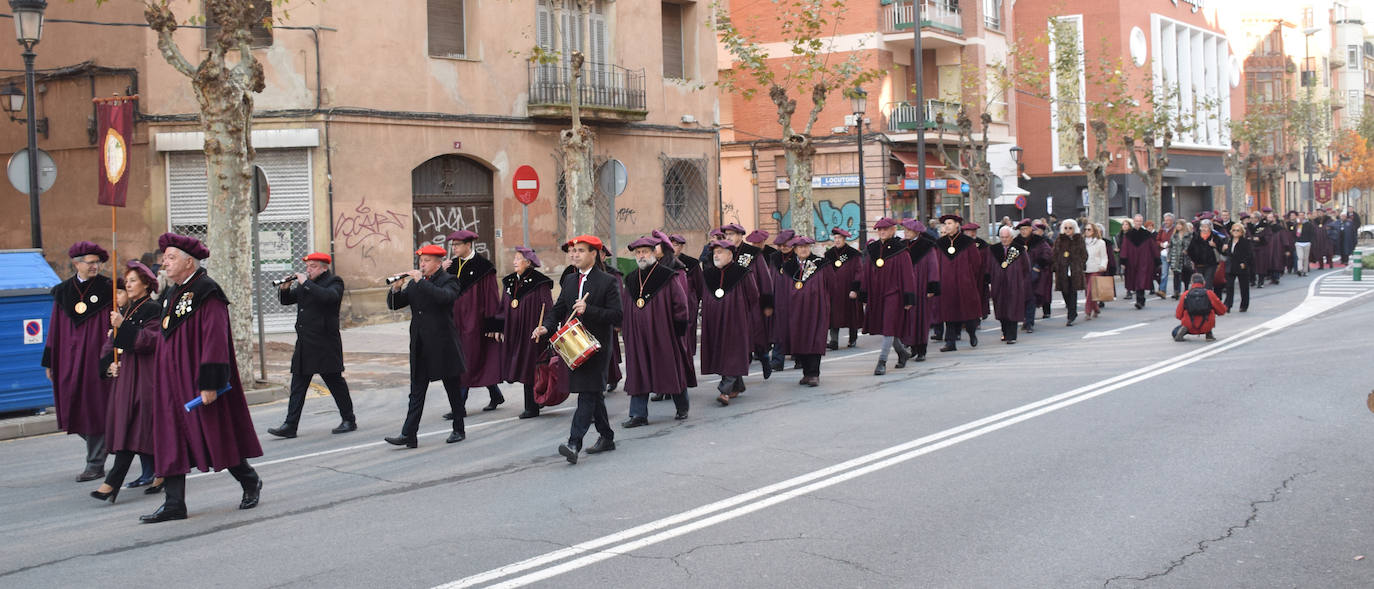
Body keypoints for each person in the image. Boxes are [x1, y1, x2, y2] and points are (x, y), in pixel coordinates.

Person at [141, 234, 263, 523]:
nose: (164, 263)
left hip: (196, 380)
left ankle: (249, 480)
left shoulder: (208, 292)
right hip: (170, 380)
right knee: (170, 437)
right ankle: (174, 504)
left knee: (215, 435)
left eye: (170, 258)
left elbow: (214, 340)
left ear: (188, 261)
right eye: (164, 258)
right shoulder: (171, 292)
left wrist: (210, 383)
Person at [535, 235, 623, 465]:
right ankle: (606, 436)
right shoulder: (570, 281)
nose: (574, 255)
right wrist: (545, 327)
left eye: (580, 251)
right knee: (593, 393)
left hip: (597, 347)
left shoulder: (607, 281)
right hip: (574, 346)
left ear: (594, 253)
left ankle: (574, 443)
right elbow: (558, 309)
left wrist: (589, 309)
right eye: (573, 251)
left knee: (587, 393)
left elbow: (617, 316)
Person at [90, 262, 164, 503]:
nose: (128, 285)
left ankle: (111, 483)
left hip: (145, 378)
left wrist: (124, 326)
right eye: (127, 281)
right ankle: (164, 471)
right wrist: (108, 365)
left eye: (133, 281)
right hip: (125, 379)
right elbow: (111, 345)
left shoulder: (152, 309)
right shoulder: (129, 309)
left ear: (145, 284)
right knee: (136, 428)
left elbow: (150, 341)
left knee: (134, 427)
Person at [42, 241, 115, 483]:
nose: (95, 266)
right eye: (90, 262)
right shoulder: (63, 292)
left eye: (97, 262)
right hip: (68, 360)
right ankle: (110, 442)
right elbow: (54, 329)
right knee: (73, 405)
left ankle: (95, 463)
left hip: (97, 358)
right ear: (76, 264)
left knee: (94, 407)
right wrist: (50, 361)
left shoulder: (109, 289)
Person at [384, 244, 467, 449]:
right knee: (417, 391)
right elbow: (395, 304)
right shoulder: (414, 284)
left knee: (452, 388)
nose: (422, 264)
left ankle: (459, 428)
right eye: (421, 261)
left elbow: (445, 298)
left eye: (427, 261)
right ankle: (409, 434)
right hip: (420, 344)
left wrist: (420, 281)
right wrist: (396, 288)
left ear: (438, 263)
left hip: (443, 344)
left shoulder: (449, 280)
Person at [268, 252, 355, 438]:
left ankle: (349, 419)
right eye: (308, 266)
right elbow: (287, 300)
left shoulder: (334, 282)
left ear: (324, 267)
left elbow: (328, 298)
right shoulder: (306, 284)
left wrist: (305, 283)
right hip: (305, 343)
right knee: (298, 385)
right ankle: (290, 425)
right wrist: (284, 288)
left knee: (335, 383)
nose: (308, 270)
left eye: (313, 266)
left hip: (325, 343)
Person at [619, 236, 691, 427]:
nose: (641, 256)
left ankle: (682, 406)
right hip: (638, 336)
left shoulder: (667, 276)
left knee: (669, 368)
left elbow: (681, 304)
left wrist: (679, 330)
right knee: (638, 372)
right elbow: (626, 307)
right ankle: (638, 414)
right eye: (638, 253)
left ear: (653, 253)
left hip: (664, 333)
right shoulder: (632, 279)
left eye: (644, 252)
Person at [444, 230, 505, 414]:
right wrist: (442, 272)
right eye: (452, 245)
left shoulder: (484, 267)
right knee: (472, 361)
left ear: (468, 245)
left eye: (457, 245)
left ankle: (459, 405)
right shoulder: (451, 266)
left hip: (475, 321)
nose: (454, 248)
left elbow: (492, 297)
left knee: (469, 360)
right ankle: (495, 394)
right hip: (455, 321)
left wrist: (493, 324)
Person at [699, 240, 759, 404]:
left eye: (720, 252)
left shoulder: (742, 273)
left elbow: (753, 296)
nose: (716, 255)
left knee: (732, 352)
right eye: (715, 252)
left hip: (735, 321)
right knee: (722, 353)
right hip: (713, 322)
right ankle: (736, 385)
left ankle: (724, 390)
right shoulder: (708, 274)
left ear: (730, 254)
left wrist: (740, 311)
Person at [500, 246, 554, 419]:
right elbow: (503, 306)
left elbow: (547, 307)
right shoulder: (509, 282)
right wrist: (498, 327)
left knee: (531, 366)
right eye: (514, 258)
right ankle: (536, 401)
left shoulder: (540, 282)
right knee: (521, 365)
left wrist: (545, 328)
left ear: (528, 262)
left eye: (518, 258)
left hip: (532, 331)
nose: (514, 262)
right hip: (514, 332)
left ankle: (532, 406)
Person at [858, 218, 915, 375]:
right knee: (887, 328)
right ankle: (902, 352)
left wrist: (909, 297)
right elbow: (866, 273)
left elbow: (908, 275)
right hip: (877, 295)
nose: (882, 231)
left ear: (893, 230)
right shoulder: (872, 249)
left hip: (894, 294)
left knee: (889, 326)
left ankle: (882, 361)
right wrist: (864, 293)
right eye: (880, 229)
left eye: (886, 229)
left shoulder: (901, 250)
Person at [781, 236, 829, 386]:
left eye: (806, 246)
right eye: (800, 247)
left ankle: (814, 374)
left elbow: (830, 286)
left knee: (814, 340)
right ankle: (806, 373)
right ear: (795, 249)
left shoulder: (820, 264)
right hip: (795, 310)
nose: (803, 249)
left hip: (816, 309)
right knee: (800, 340)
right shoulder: (788, 267)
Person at [936, 215, 984, 351]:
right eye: (945, 224)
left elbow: (976, 262)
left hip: (965, 283)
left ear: (957, 225)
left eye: (950, 223)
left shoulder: (967, 242)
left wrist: (967, 276)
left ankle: (972, 334)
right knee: (949, 313)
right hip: (947, 284)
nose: (947, 226)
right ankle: (950, 342)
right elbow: (937, 263)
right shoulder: (941, 243)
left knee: (968, 312)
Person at [901, 219, 941, 361]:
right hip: (906, 288)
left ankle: (922, 349)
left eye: (908, 230)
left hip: (921, 288)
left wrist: (932, 286)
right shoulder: (901, 245)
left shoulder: (927, 246)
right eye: (904, 230)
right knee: (908, 319)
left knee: (921, 318)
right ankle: (912, 347)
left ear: (916, 232)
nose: (905, 233)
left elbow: (933, 267)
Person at [988, 226, 1032, 344]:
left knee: (1013, 308)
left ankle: (1012, 335)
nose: (1004, 240)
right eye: (1002, 237)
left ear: (1011, 237)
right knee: (1001, 308)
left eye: (1006, 237)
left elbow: (1026, 267)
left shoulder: (1019, 250)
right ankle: (1005, 332)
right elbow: (989, 267)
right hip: (998, 284)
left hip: (1015, 284)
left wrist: (1020, 280)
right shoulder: (994, 250)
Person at [823, 228, 864, 350]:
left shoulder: (853, 254)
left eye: (839, 238)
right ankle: (834, 341)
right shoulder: (829, 255)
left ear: (844, 239)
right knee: (833, 315)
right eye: (835, 238)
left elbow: (859, 272)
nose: (837, 240)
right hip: (834, 292)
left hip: (848, 290)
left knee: (851, 314)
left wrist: (855, 289)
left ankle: (852, 339)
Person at [1013, 220, 1052, 333]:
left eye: (1025, 229)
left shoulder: (1039, 241)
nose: (1023, 231)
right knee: (1022, 298)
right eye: (1021, 229)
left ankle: (1029, 322)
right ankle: (1025, 319)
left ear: (1031, 229)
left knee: (1032, 298)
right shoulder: (1016, 242)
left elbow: (1047, 254)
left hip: (1034, 274)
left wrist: (1038, 266)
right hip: (1020, 275)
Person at [768, 230, 796, 372]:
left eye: (786, 244)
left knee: (797, 330)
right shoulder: (774, 258)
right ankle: (777, 361)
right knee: (779, 330)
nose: (784, 247)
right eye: (781, 245)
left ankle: (800, 358)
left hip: (795, 299)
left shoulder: (798, 257)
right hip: (778, 299)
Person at [1051, 219, 1087, 326]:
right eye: (1065, 228)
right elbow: (1055, 253)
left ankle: (1071, 315)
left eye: (1070, 228)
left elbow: (1084, 253)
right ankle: (1070, 309)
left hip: (1074, 269)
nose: (1067, 230)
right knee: (1065, 291)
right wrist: (1056, 264)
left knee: (1073, 291)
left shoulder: (1079, 239)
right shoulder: (1059, 239)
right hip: (1062, 269)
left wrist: (1079, 263)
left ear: (1074, 228)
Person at [1118, 217, 1159, 310]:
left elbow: (1153, 248)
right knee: (1135, 280)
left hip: (1144, 261)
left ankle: (1140, 300)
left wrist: (1157, 260)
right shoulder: (1128, 235)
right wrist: (1123, 261)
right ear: (1134, 222)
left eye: (1140, 221)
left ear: (1142, 222)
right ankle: (1140, 299)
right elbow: (1124, 248)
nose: (1138, 223)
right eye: (1136, 221)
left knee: (1141, 280)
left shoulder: (1147, 235)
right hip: (1131, 261)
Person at [1174, 272, 1227, 342]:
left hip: (1189, 325)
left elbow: (1178, 315)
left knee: (1174, 331)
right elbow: (1222, 311)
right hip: (1206, 325)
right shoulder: (1209, 293)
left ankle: (1183, 330)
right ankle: (1208, 333)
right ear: (1203, 282)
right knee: (1210, 312)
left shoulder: (1185, 294)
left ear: (1191, 283)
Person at [1221, 222, 1253, 313]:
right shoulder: (1229, 241)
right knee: (1229, 286)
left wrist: (1245, 264)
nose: (1235, 232)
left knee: (1244, 287)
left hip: (1241, 266)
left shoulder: (1245, 242)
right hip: (1231, 266)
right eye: (1234, 230)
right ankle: (1227, 305)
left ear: (1242, 232)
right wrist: (1223, 249)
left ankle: (1244, 305)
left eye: (1237, 230)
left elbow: (1250, 255)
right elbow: (1226, 254)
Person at [1187, 219, 1224, 296]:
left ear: (1210, 228)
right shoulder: (1196, 237)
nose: (1204, 229)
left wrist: (1214, 245)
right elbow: (1190, 250)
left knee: (1208, 283)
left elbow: (1222, 250)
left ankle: (1208, 299)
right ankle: (1200, 298)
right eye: (1202, 227)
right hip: (1199, 263)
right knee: (1199, 283)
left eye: (1206, 227)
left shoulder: (1215, 237)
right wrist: (1193, 260)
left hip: (1211, 263)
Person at [1083, 223, 1109, 320]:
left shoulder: (1100, 243)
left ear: (1094, 231)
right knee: (1089, 292)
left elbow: (1104, 257)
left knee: (1090, 291)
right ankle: (1096, 308)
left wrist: (1103, 265)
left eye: (1089, 229)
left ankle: (1088, 311)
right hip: (1085, 269)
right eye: (1085, 229)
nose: (1087, 231)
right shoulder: (1082, 242)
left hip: (1096, 269)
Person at [1168, 221, 1194, 298]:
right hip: (1175, 256)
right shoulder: (1174, 236)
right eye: (1177, 224)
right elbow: (1170, 246)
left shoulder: (1188, 235)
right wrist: (1169, 256)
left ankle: (1186, 289)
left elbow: (1191, 246)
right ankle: (1176, 291)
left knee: (1186, 274)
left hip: (1185, 257)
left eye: (1180, 224)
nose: (1178, 226)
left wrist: (1188, 251)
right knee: (1176, 274)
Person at [1157, 213, 1175, 297]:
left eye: (1168, 220)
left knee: (1176, 272)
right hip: (1164, 253)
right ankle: (1162, 290)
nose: (1166, 222)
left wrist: (1170, 245)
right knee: (1164, 273)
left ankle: (1176, 291)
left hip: (1173, 253)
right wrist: (1160, 244)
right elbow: (1157, 239)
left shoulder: (1175, 229)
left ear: (1172, 221)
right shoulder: (1162, 229)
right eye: (1165, 220)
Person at [1293, 211, 1314, 276]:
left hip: (1307, 242)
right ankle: (1300, 269)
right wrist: (1295, 241)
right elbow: (1293, 233)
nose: (1301, 217)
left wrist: (1310, 241)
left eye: (1302, 215)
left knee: (1305, 258)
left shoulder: (1309, 224)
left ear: (1304, 216)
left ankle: (1305, 271)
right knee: (1300, 257)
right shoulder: (1296, 224)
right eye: (1300, 215)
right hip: (1299, 243)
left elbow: (1312, 233)